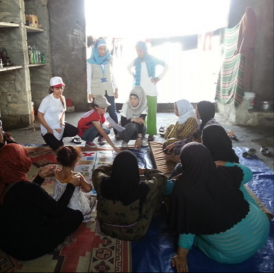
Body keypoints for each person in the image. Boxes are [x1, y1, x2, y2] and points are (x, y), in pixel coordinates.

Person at [166, 143, 269, 272]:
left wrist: (181, 256)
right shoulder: (224, 172)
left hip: (233, 254)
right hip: (263, 228)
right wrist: (222, 163)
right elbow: (248, 172)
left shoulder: (183, 189)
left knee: (189, 217)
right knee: (238, 182)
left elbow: (187, 227)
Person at [0, 144, 83, 261]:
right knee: (75, 215)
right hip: (27, 249)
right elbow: (57, 210)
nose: (28, 159)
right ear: (19, 162)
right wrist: (71, 186)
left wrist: (39, 177)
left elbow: (23, 196)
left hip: (4, 243)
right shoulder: (29, 188)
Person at [92, 150, 167, 241]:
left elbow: (98, 170)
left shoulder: (101, 181)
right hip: (134, 232)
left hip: (106, 228)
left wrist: (116, 166)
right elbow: (162, 177)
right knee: (154, 195)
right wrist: (144, 171)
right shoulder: (144, 188)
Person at [127, 41, 169, 140]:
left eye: (140, 50)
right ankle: (141, 131)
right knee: (141, 113)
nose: (138, 52)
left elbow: (166, 66)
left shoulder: (152, 59)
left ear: (144, 49)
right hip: (140, 92)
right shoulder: (136, 61)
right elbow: (128, 68)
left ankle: (151, 133)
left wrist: (158, 78)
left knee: (151, 113)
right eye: (137, 50)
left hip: (152, 90)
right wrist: (134, 75)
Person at [87, 37, 119, 139]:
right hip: (97, 90)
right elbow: (88, 77)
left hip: (109, 89)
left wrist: (116, 88)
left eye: (104, 49)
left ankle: (117, 132)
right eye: (100, 49)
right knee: (99, 113)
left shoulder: (110, 59)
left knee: (112, 111)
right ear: (96, 49)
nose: (102, 51)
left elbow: (113, 74)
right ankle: (101, 134)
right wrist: (89, 92)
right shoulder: (91, 61)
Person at [53, 146, 94, 222]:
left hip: (60, 201)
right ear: (75, 161)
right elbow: (88, 188)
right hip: (74, 205)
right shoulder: (77, 176)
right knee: (90, 200)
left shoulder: (57, 172)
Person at [37, 76, 79, 150]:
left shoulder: (62, 98)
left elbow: (63, 112)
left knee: (75, 131)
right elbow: (39, 115)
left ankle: (60, 136)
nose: (60, 90)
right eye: (57, 88)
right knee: (59, 148)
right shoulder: (47, 100)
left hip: (58, 124)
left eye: (61, 88)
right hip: (48, 128)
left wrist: (62, 122)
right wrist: (48, 128)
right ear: (52, 88)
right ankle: (49, 138)